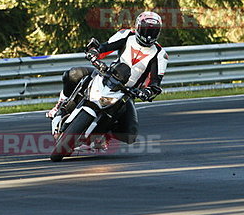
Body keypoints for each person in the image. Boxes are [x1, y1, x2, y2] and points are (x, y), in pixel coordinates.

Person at [46, 11, 167, 146]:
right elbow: (104, 47)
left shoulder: (160, 54)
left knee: (130, 134)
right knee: (73, 74)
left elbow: (155, 82)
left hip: (127, 92)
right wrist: (94, 52)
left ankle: (104, 133)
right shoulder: (126, 35)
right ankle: (62, 104)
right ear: (138, 27)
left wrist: (147, 92)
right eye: (145, 30)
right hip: (107, 75)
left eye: (153, 31)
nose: (148, 35)